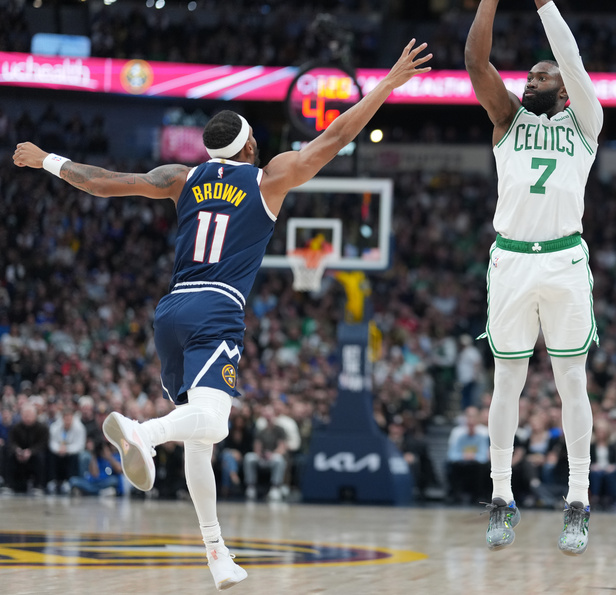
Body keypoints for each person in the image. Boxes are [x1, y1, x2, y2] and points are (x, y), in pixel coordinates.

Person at [12, 40, 431, 590]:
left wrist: (46, 159)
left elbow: (103, 183)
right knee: (214, 422)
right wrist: (386, 84)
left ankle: (216, 553)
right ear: (250, 144)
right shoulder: (268, 179)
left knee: (201, 443)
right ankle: (142, 432)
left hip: (171, 310)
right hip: (217, 308)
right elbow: (336, 136)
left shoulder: (179, 179)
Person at [465, 0, 603, 555]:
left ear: (565, 91)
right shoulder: (506, 122)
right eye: (530, 73)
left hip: (566, 259)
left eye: (542, 74)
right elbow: (475, 63)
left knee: (572, 384)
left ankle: (578, 500)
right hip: (512, 259)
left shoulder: (584, 123)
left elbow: (570, 59)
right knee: (506, 385)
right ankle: (501, 496)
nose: (534, 75)